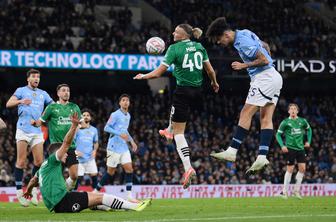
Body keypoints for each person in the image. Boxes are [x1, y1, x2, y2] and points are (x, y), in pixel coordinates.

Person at [134, 24, 219, 189]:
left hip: (183, 91)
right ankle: (168, 129)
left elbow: (158, 73)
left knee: (180, 134)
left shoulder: (174, 48)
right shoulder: (199, 46)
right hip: (198, 91)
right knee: (175, 120)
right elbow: (210, 71)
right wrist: (214, 83)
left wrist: (143, 76)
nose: (173, 33)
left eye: (176, 31)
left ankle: (188, 168)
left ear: (183, 34)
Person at [24, 112, 151, 213]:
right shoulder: (53, 159)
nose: (66, 155)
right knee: (100, 197)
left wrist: (28, 191)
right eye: (64, 153)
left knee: (93, 199)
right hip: (63, 202)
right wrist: (73, 126)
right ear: (56, 153)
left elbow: (32, 181)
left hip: (59, 203)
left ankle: (105, 207)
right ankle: (134, 206)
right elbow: (66, 143)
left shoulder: (43, 168)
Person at [206, 17, 283, 174]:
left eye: (218, 39)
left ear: (226, 35)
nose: (218, 43)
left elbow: (262, 59)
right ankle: (262, 156)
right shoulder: (245, 32)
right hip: (273, 76)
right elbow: (266, 46)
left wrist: (244, 65)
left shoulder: (242, 42)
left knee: (245, 112)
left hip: (264, 78)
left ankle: (232, 151)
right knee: (265, 118)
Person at [6, 69, 53, 206]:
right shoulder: (21, 90)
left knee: (39, 163)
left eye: (38, 77)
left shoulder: (43, 94)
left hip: (37, 130)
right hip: (23, 129)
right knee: (21, 162)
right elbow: (8, 104)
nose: (36, 79)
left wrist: (43, 118)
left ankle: (32, 191)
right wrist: (20, 101)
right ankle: (19, 192)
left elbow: (52, 106)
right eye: (33, 76)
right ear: (28, 79)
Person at [32, 84, 81, 191]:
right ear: (58, 93)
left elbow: (79, 124)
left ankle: (65, 190)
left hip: (71, 146)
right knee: (56, 175)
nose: (66, 92)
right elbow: (40, 121)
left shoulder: (74, 107)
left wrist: (75, 131)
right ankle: (38, 188)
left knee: (74, 176)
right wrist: (34, 123)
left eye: (68, 90)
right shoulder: (51, 108)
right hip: (56, 147)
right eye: (63, 90)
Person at [95, 94, 139, 202]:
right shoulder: (115, 114)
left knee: (129, 169)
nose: (125, 102)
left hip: (123, 147)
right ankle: (96, 191)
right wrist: (119, 133)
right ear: (120, 103)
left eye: (127, 100)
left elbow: (125, 130)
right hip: (113, 147)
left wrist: (132, 141)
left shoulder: (128, 115)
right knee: (110, 173)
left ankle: (129, 195)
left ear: (129, 103)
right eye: (123, 100)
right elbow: (106, 127)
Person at [276, 103, 312, 199]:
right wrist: (282, 145)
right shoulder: (285, 122)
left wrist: (308, 141)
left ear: (297, 111)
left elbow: (309, 130)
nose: (292, 110)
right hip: (290, 148)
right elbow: (278, 135)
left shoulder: (302, 121)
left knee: (302, 169)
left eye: (294, 109)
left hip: (300, 148)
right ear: (288, 111)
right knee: (290, 169)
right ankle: (284, 192)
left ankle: (296, 191)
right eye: (291, 109)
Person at [75, 109, 99, 189]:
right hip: (78, 159)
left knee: (94, 175)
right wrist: (75, 151)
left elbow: (96, 142)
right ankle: (72, 194)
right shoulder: (77, 129)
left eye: (87, 115)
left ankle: (96, 193)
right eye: (84, 115)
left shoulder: (94, 130)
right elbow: (71, 141)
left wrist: (95, 150)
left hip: (90, 158)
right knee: (77, 178)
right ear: (81, 117)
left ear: (90, 118)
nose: (86, 117)